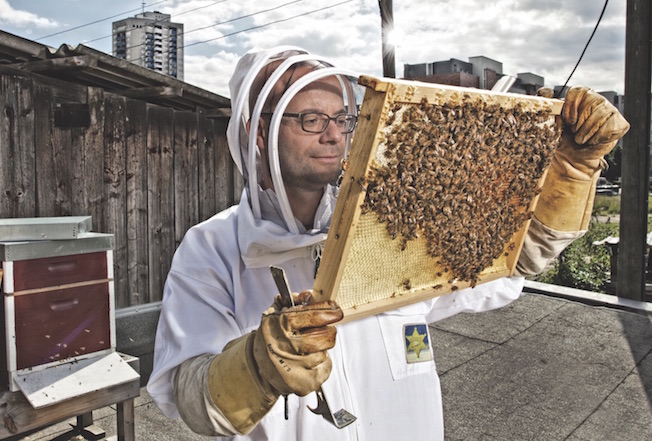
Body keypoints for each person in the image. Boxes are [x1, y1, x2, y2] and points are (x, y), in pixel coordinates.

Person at [147, 46, 629, 440]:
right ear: (256, 130)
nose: (334, 134)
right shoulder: (210, 247)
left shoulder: (384, 222)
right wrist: (255, 366)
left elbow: (500, 265)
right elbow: (193, 401)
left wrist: (571, 173)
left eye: (342, 118)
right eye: (311, 119)